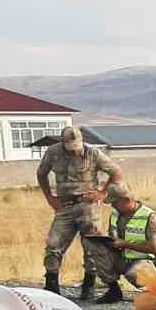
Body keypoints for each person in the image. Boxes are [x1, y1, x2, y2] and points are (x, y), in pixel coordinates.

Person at [35, 124, 123, 298]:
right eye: (70, 148)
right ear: (63, 143)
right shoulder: (53, 152)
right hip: (64, 206)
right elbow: (41, 174)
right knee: (53, 245)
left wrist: (102, 192)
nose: (74, 151)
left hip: (88, 206)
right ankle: (52, 288)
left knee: (93, 246)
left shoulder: (93, 153)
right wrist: (50, 198)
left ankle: (89, 286)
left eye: (76, 148)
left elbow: (116, 172)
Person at [83, 186, 156, 303]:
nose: (112, 206)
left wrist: (126, 244)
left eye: (114, 203)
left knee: (135, 274)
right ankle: (114, 291)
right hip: (122, 257)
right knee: (94, 245)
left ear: (126, 200)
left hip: (146, 261)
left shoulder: (149, 217)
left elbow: (154, 248)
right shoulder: (115, 214)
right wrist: (102, 238)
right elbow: (113, 237)